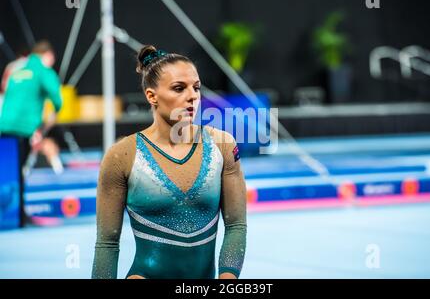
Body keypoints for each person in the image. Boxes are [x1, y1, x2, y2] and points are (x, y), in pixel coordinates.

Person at [91, 45, 247, 279]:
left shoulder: (222, 145)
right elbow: (107, 243)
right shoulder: (121, 156)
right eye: (179, 88)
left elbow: (236, 226)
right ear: (151, 96)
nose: (192, 96)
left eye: (196, 88)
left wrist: (228, 279)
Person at [0, 40, 62, 227]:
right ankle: (19, 216)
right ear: (48, 56)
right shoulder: (44, 71)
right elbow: (58, 100)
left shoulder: (16, 70)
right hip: (24, 129)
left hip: (3, 126)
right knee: (20, 173)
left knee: (6, 173)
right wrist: (45, 125)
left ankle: (12, 215)